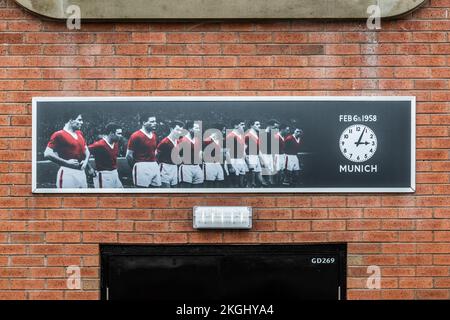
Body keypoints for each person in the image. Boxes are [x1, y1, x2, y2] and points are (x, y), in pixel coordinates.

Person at [44, 113, 90, 189]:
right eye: (79, 120)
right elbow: (47, 154)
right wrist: (67, 162)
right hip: (67, 173)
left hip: (82, 173)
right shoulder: (58, 134)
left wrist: (85, 161)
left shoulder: (80, 134)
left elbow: (87, 151)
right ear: (71, 120)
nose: (82, 122)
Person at [126, 115, 161, 188]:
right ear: (144, 122)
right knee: (142, 192)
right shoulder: (136, 135)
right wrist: (136, 166)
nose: (155, 123)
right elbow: (129, 155)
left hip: (154, 165)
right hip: (141, 166)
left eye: (155, 121)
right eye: (152, 121)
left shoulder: (154, 135)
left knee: (156, 191)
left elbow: (154, 151)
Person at [88, 122, 123, 188]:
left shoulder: (115, 144)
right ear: (111, 133)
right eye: (119, 133)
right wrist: (89, 168)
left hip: (115, 174)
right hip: (104, 176)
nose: (121, 136)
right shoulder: (99, 145)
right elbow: (84, 151)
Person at [157, 121, 185, 188]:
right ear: (171, 129)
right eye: (177, 130)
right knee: (166, 192)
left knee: (174, 192)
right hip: (165, 169)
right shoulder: (164, 142)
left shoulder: (178, 142)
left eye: (181, 131)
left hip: (174, 168)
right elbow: (156, 156)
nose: (179, 132)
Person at [178, 121, 204, 188]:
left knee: (198, 191)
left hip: (197, 167)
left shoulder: (198, 140)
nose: (198, 130)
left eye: (199, 128)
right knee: (186, 191)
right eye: (196, 128)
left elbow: (200, 153)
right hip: (186, 167)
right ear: (190, 129)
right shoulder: (182, 140)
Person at [225, 121, 247, 188]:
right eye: (242, 124)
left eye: (244, 124)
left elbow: (243, 150)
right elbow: (227, 152)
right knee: (235, 184)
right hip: (233, 160)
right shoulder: (231, 136)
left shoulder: (241, 136)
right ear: (235, 126)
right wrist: (230, 165)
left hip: (241, 160)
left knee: (241, 183)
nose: (244, 126)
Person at [245, 120, 267, 187]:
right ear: (251, 125)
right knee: (252, 176)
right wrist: (247, 160)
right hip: (250, 156)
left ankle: (263, 185)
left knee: (259, 173)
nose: (259, 126)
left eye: (259, 124)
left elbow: (258, 149)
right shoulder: (248, 135)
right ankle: (250, 187)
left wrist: (262, 160)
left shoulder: (256, 135)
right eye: (257, 124)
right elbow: (243, 149)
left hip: (256, 156)